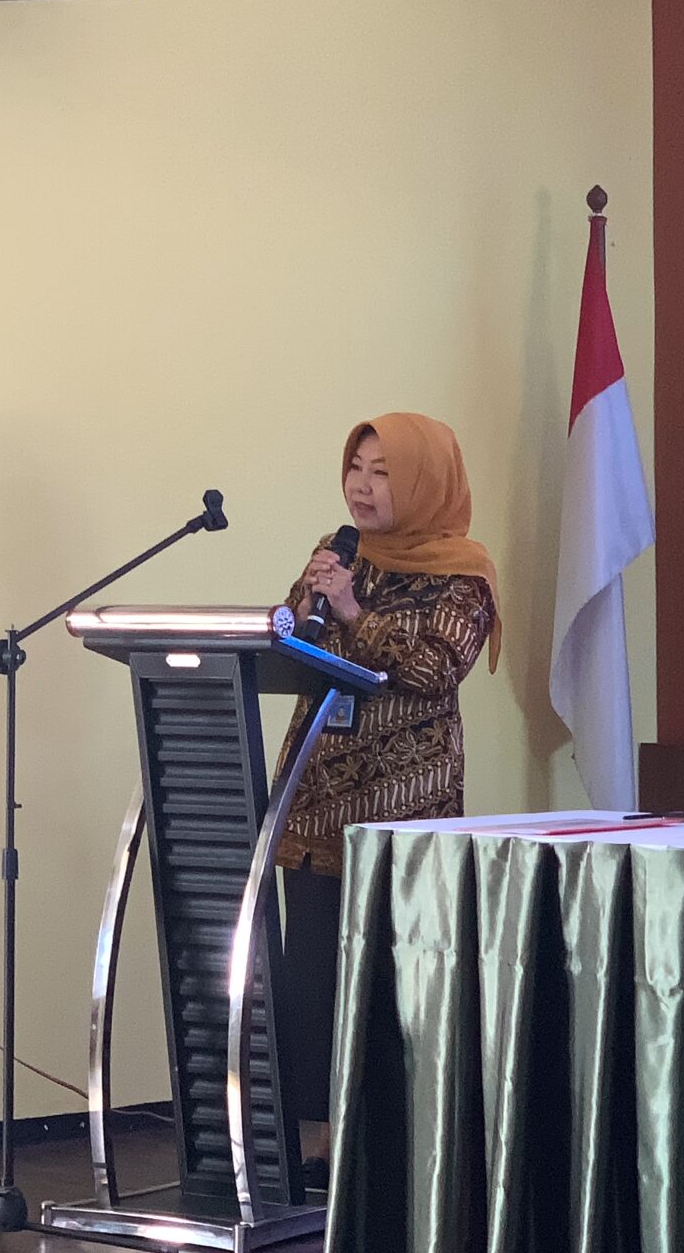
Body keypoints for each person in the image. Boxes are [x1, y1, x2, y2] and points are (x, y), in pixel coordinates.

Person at [273, 412, 498, 1180]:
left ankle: (397, 1142)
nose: (361, 487)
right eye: (356, 469)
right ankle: (317, 1142)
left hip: (405, 813)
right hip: (315, 807)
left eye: (382, 473)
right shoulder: (340, 555)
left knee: (390, 979)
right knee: (312, 981)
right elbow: (291, 644)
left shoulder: (462, 576)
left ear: (426, 482)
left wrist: (352, 614)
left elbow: (437, 669)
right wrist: (301, 608)